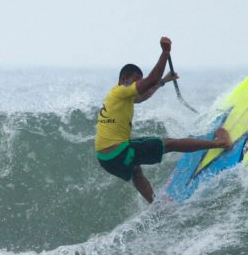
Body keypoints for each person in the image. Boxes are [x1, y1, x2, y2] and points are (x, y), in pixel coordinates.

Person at [95, 36, 232, 203]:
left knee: (136, 171)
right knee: (169, 144)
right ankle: (221, 143)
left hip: (105, 159)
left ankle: (156, 204)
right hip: (117, 151)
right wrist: (165, 53)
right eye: (136, 80)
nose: (138, 84)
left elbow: (143, 95)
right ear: (125, 79)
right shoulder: (120, 91)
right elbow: (148, 82)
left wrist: (163, 82)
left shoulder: (117, 97)